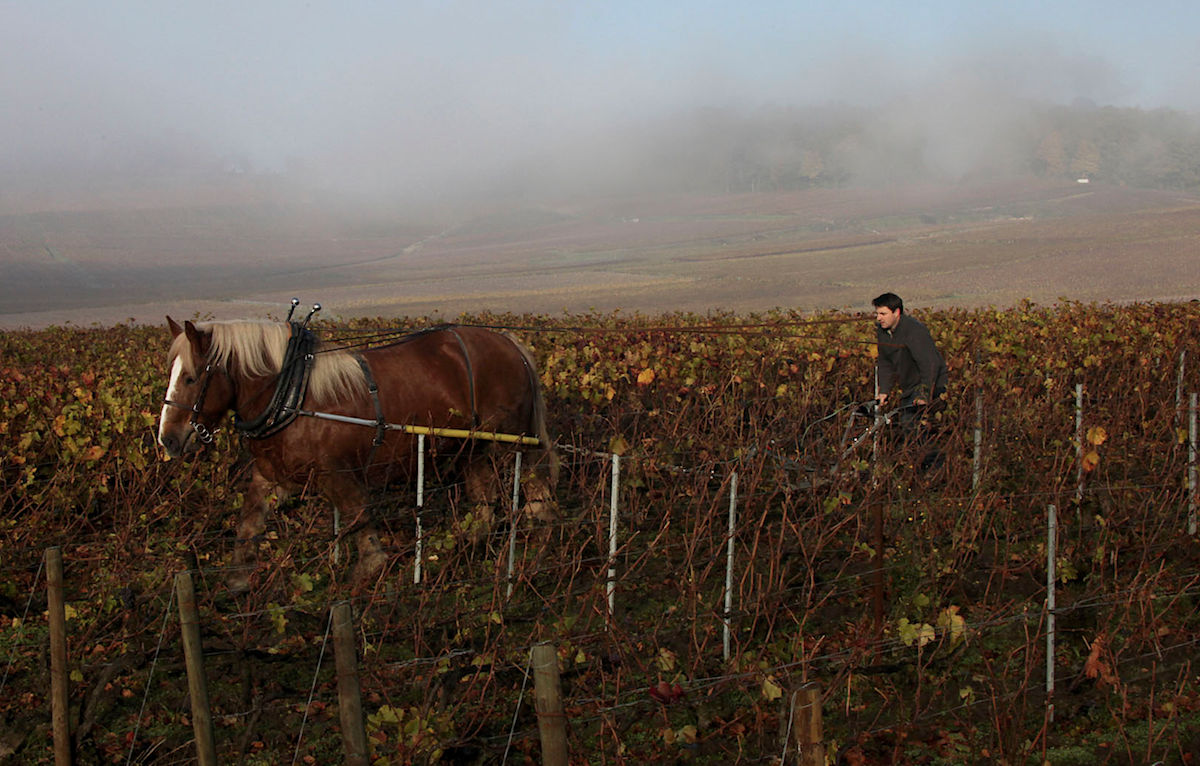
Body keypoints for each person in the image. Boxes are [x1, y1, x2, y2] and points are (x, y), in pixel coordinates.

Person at [872, 293, 948, 465]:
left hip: (930, 382)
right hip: (910, 386)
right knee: (909, 427)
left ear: (896, 312)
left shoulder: (914, 330)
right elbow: (885, 362)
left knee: (913, 425)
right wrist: (884, 390)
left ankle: (934, 468)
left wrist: (925, 393)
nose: (879, 318)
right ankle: (922, 466)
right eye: (877, 314)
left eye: (883, 314)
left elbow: (929, 364)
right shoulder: (883, 332)